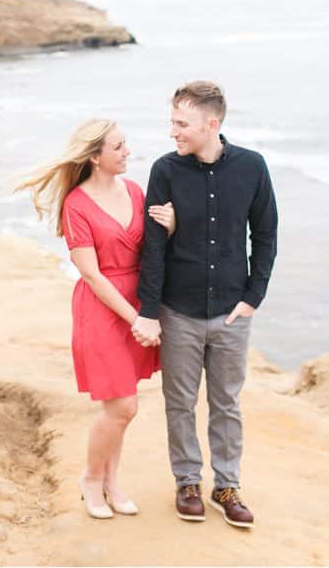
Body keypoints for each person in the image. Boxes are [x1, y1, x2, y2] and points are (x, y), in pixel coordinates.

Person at [132, 81, 278, 529]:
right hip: (178, 311)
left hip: (232, 312)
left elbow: (266, 235)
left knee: (227, 403)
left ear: (211, 124)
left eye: (182, 123)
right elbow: (153, 248)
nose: (173, 131)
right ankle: (187, 481)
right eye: (173, 121)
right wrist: (149, 310)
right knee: (179, 403)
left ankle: (227, 486)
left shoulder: (252, 167)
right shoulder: (165, 171)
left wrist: (254, 298)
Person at [15, 119, 175, 519]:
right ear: (94, 157)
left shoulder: (136, 191)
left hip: (138, 303)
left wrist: (171, 229)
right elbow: (91, 273)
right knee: (123, 406)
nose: (127, 152)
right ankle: (90, 478)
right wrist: (136, 318)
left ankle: (112, 483)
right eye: (118, 147)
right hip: (104, 310)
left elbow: (154, 250)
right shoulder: (76, 205)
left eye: (126, 145)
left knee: (118, 410)